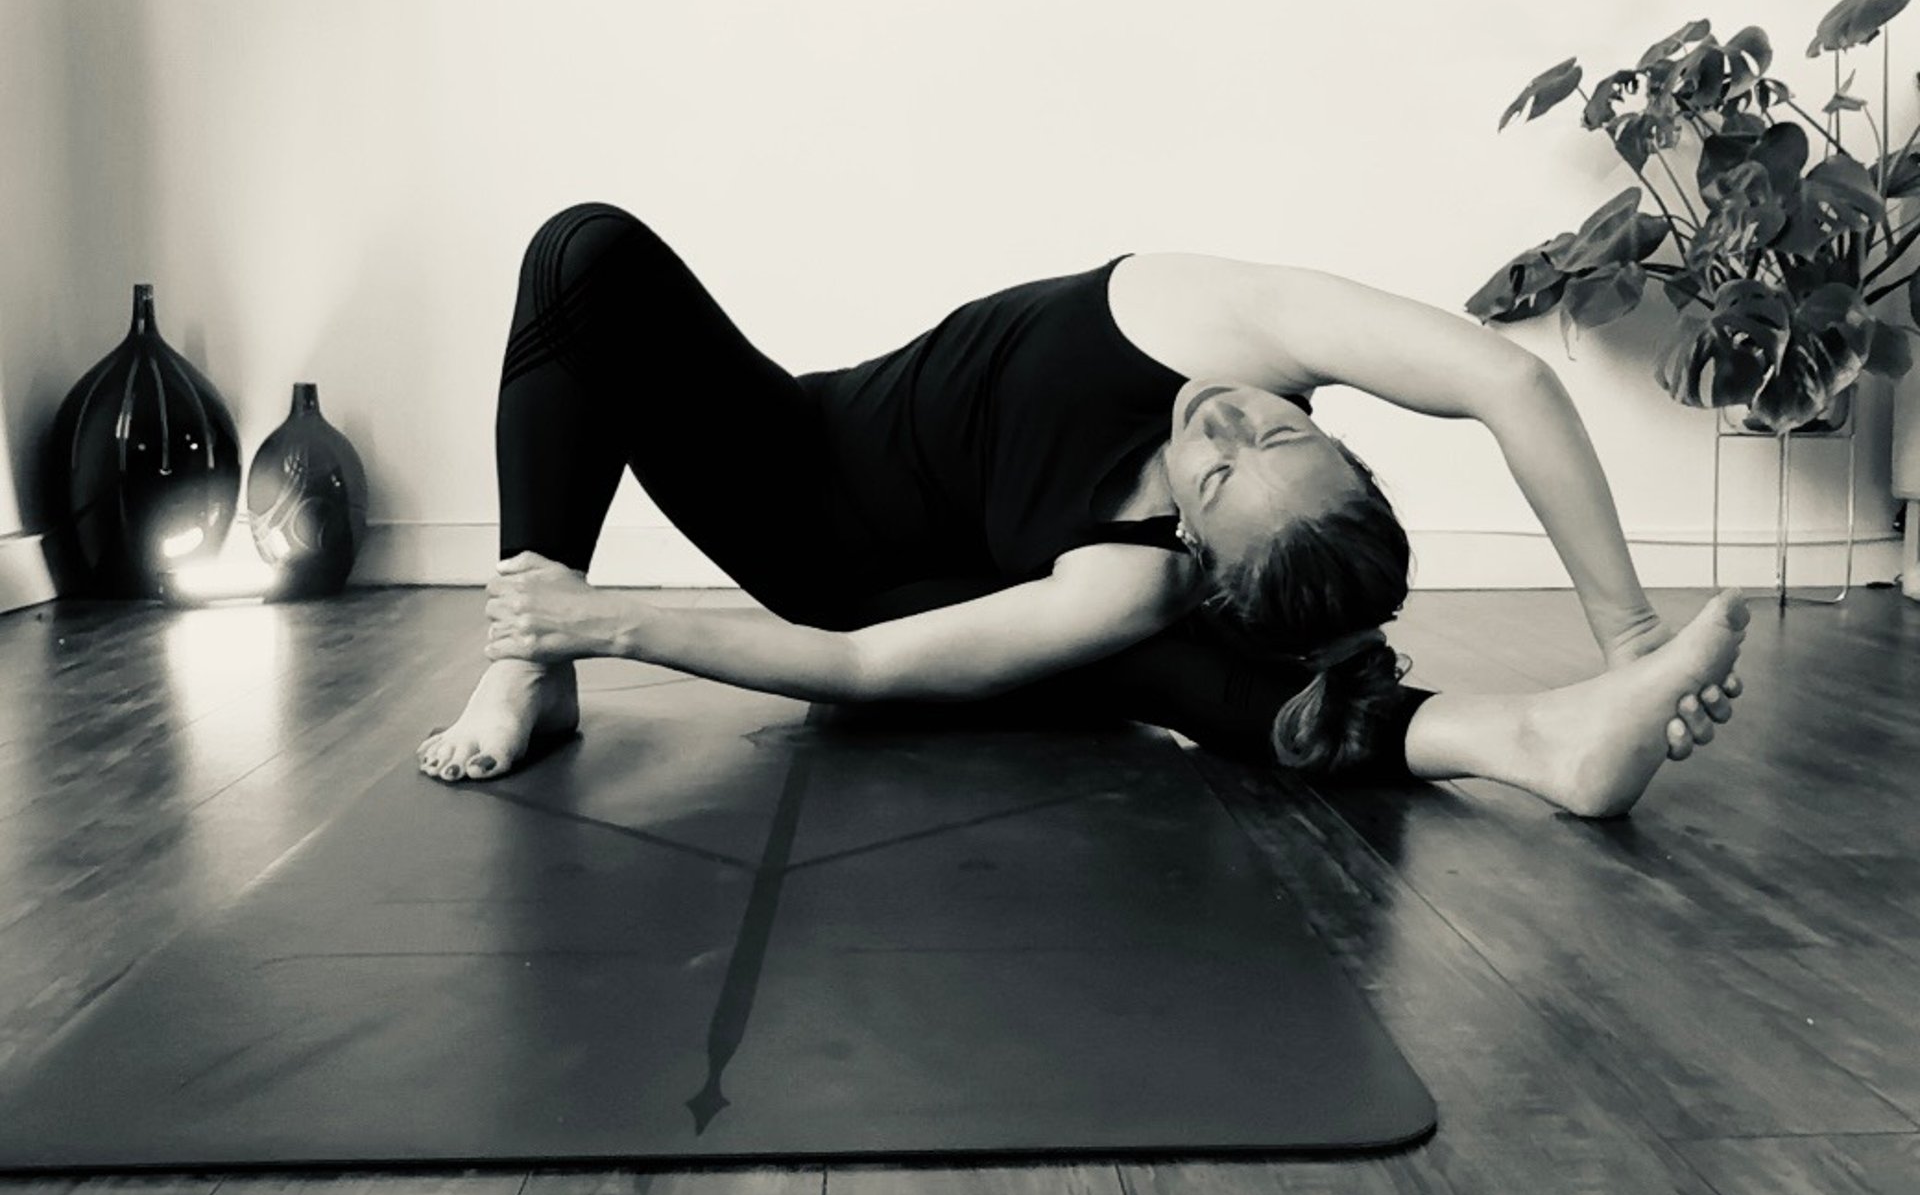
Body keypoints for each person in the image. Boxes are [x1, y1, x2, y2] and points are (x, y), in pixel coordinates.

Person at [417, 202, 1747, 817]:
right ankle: (521, 667)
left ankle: (1540, 745)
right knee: (583, 255)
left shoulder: (1131, 583)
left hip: (863, 595)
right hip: (790, 461)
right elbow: (1509, 381)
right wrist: (1629, 633)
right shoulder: (1223, 320)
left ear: (1196, 546)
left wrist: (607, 619)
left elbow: (859, 661)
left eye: (1222, 478)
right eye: (1284, 424)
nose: (1224, 422)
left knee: (1164, 663)